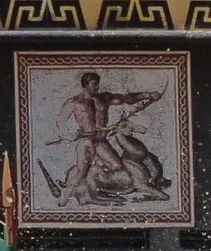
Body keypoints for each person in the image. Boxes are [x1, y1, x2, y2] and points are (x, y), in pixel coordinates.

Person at [54, 72, 162, 206]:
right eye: (94, 85)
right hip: (86, 141)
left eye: (98, 84)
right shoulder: (74, 102)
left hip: (100, 142)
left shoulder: (104, 98)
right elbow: (61, 121)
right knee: (82, 172)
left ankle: (95, 181)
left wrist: (148, 94)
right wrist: (69, 136)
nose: (97, 87)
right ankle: (64, 199)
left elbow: (126, 98)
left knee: (116, 166)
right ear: (85, 85)